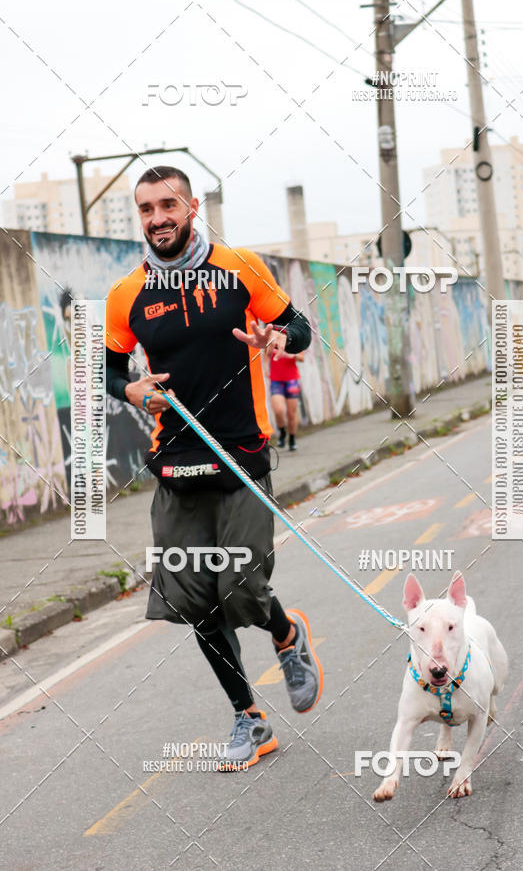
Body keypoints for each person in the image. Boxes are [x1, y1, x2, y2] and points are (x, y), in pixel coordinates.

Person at [105, 166, 323, 770]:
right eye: (146, 209)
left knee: (242, 586)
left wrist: (279, 339)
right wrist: (131, 391)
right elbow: (107, 369)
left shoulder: (240, 267)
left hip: (241, 453)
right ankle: (249, 720)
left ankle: (285, 634)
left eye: (167, 205)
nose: (157, 218)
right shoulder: (127, 294)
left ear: (192, 207)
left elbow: (300, 328)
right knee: (195, 596)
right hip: (174, 461)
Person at [269, 332, 305, 451]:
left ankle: (292, 439)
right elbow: (267, 354)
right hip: (276, 381)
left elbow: (302, 358)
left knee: (291, 413)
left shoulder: (294, 338)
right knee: (278, 410)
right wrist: (265, 369)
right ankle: (282, 431)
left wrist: (293, 355)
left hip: (291, 380)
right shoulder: (272, 339)